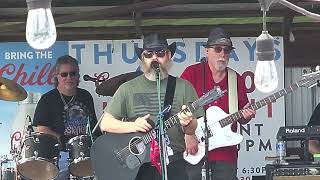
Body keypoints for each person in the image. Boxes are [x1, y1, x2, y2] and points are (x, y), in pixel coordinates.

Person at [99, 33, 201, 180]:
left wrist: (188, 123)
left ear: (168, 55)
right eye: (149, 54)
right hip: (138, 165)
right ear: (142, 58)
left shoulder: (184, 87)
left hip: (173, 161)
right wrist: (133, 126)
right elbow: (105, 123)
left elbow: (193, 128)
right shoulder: (127, 88)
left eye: (160, 53)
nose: (155, 58)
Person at [180, 27, 256, 180]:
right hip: (195, 147)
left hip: (226, 152)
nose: (222, 54)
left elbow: (241, 116)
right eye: (218, 49)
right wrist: (189, 136)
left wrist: (247, 116)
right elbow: (179, 109)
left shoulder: (236, 79)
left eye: (227, 50)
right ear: (207, 51)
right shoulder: (191, 73)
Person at [33, 55, 100, 179]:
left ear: (78, 76)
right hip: (59, 155)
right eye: (64, 74)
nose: (69, 77)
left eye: (72, 74)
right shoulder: (47, 99)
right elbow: (41, 129)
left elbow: (93, 125)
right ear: (57, 77)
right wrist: (63, 139)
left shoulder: (86, 96)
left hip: (85, 153)